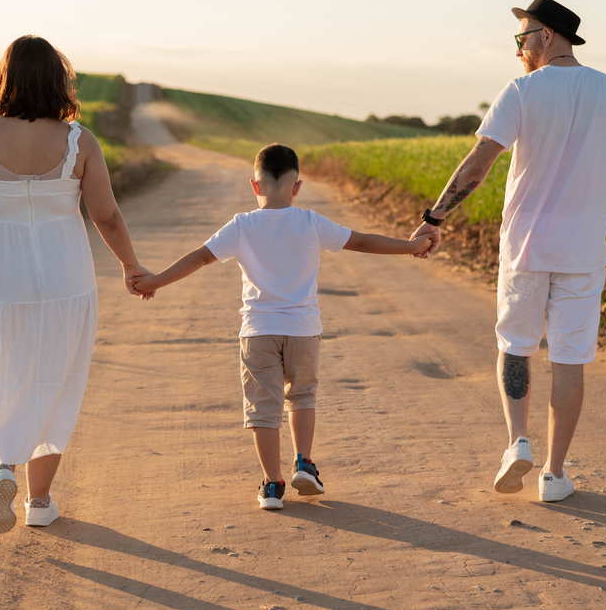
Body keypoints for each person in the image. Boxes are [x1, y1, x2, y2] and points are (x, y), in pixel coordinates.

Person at [408, 0, 606, 503]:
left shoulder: (521, 90)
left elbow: (479, 164)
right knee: (569, 358)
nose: (517, 49)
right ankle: (554, 474)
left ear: (546, 36)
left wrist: (434, 218)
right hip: (584, 255)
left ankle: (518, 442)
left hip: (525, 249)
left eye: (521, 38)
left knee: (515, 345)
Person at [0, 35, 152, 534]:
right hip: (63, 279)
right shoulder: (80, 140)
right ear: (59, 79)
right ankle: (39, 501)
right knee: (53, 378)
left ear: (4, 78)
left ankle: (2, 468)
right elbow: (107, 216)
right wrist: (130, 265)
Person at [131, 144, 433, 510]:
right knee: (302, 396)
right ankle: (304, 462)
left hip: (258, 330)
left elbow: (199, 257)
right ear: (297, 187)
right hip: (304, 329)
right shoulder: (310, 222)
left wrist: (155, 282)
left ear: (254, 186)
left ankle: (272, 485)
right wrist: (412, 245)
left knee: (263, 407)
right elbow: (364, 241)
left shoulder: (241, 225)